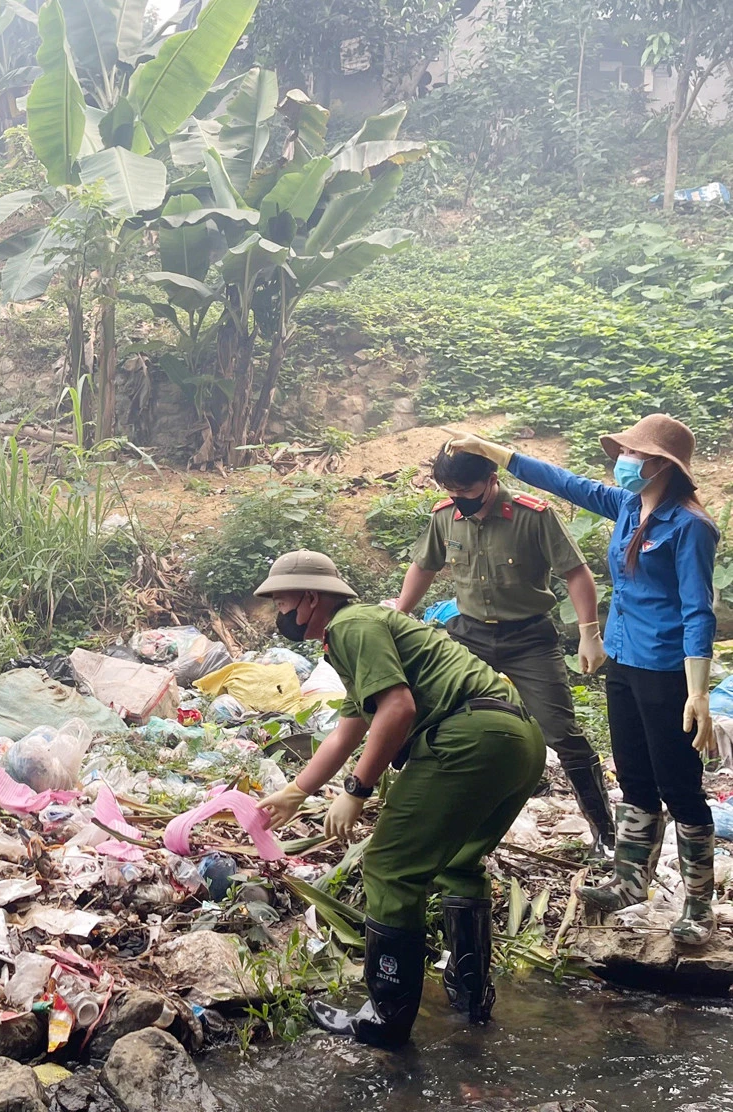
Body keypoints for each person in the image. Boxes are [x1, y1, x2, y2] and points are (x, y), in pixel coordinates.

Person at [256, 550, 545, 1048]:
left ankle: (385, 1017)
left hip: (467, 740)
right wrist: (297, 791)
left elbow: (397, 708)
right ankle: (470, 998)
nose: (277, 612)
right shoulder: (363, 630)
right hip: (517, 740)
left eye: (280, 600)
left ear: (309, 598)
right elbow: (350, 728)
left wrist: (357, 791)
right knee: (459, 862)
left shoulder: (352, 626)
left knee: (389, 867)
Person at [449, 415, 719, 945]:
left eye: (634, 455)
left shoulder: (690, 525)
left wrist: (698, 691)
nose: (624, 461)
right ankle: (630, 881)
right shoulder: (625, 505)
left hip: (668, 669)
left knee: (680, 787)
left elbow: (698, 611)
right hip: (623, 658)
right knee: (635, 777)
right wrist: (494, 450)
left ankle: (700, 906)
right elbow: (564, 482)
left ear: (662, 464)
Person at [384, 446, 615, 853]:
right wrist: (400, 611)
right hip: (468, 635)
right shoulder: (445, 517)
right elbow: (424, 565)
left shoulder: (533, 515)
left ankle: (605, 833)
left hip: (528, 640)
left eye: (467, 489)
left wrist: (589, 631)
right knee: (427, 713)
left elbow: (575, 572)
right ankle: (419, 811)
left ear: (492, 479)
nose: (460, 497)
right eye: (450, 489)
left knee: (561, 732)